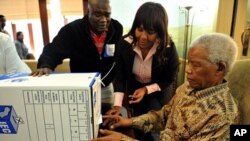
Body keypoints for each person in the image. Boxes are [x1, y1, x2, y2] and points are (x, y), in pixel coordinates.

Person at [93, 33, 240, 141]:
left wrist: (122, 140)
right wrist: (129, 122)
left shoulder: (223, 115)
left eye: (196, 65)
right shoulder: (187, 87)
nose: (188, 70)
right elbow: (163, 115)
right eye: (188, 62)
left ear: (220, 68)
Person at [31, 0, 123, 113]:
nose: (103, 20)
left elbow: (118, 59)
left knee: (105, 123)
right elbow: (54, 49)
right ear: (88, 12)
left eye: (107, 15)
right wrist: (46, 64)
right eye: (98, 15)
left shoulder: (117, 28)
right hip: (81, 89)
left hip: (105, 88)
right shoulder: (72, 30)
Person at [105, 2, 179, 141]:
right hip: (135, 89)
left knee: (155, 126)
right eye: (139, 29)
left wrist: (146, 89)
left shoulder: (168, 48)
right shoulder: (124, 44)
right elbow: (120, 77)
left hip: (159, 91)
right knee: (137, 124)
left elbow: (169, 78)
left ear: (160, 31)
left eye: (150, 32)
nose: (143, 37)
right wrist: (117, 105)